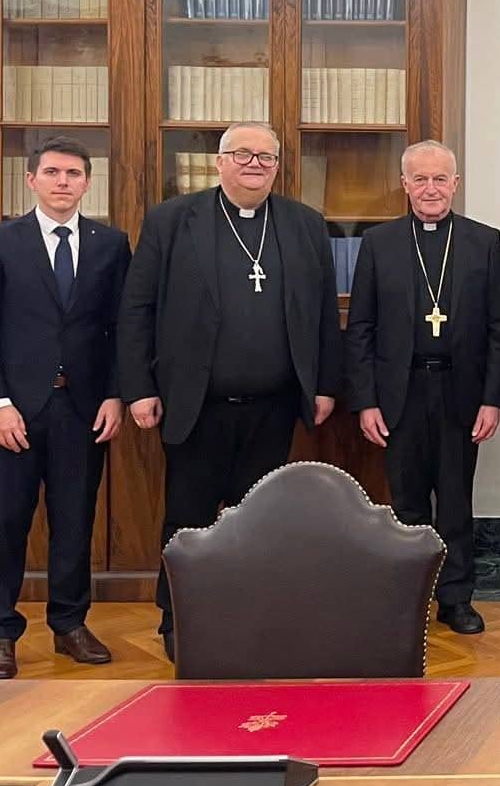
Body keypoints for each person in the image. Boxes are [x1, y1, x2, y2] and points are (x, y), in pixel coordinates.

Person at [119, 121, 340, 656]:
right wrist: (139, 387)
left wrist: (325, 385)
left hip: (273, 406)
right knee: (187, 518)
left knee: (259, 523)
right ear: (219, 162)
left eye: (266, 157)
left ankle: (249, 622)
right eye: (243, 155)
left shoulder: (305, 224)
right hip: (197, 404)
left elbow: (322, 314)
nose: (254, 165)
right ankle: (177, 621)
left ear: (277, 167)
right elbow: (137, 308)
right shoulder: (173, 220)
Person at [0, 137, 128, 678]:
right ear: (31, 179)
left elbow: (122, 328)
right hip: (12, 411)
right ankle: (1, 632)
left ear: (87, 183)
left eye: (74, 174)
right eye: (52, 172)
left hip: (81, 409)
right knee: (6, 522)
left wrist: (115, 393)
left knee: (75, 521)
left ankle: (69, 624)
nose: (63, 182)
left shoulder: (110, 245)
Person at [346, 141, 500, 636]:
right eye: (420, 179)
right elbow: (361, 328)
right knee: (408, 503)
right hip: (401, 392)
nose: (431, 188)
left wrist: (493, 398)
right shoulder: (379, 243)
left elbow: (498, 328)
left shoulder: (484, 241)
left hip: (461, 391)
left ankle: (456, 599)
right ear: (405, 184)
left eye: (440, 179)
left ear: (455, 184)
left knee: (456, 501)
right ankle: (410, 599)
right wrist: (366, 401)